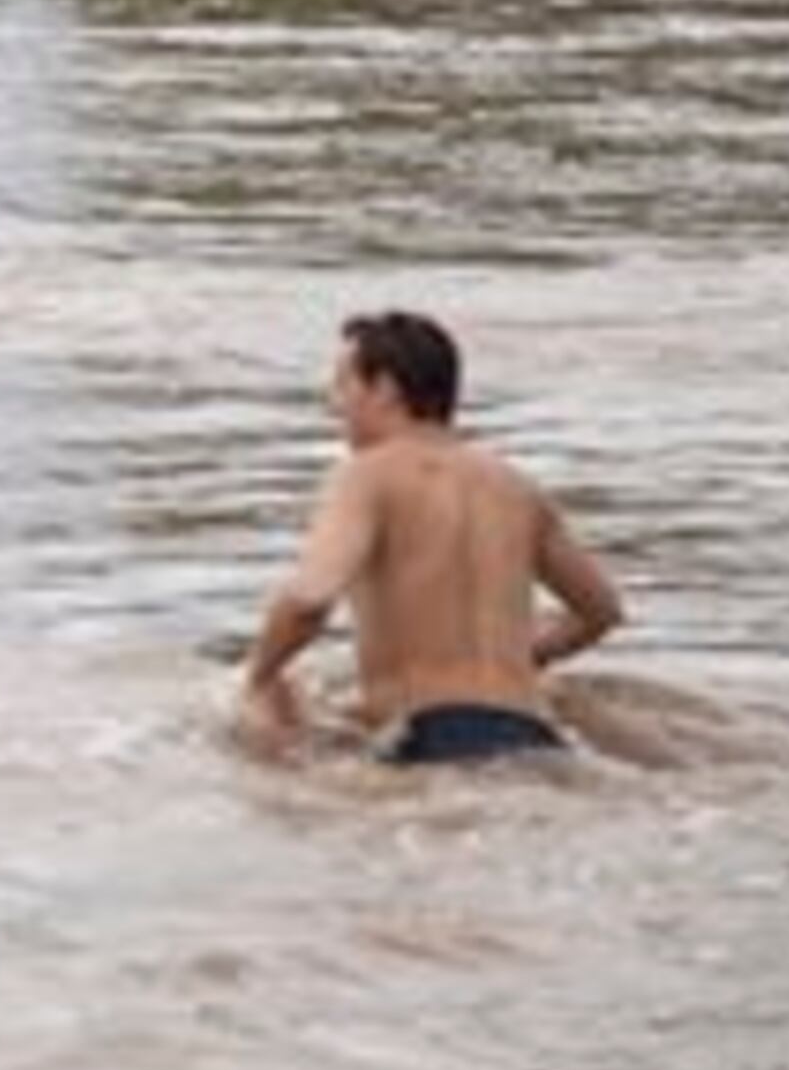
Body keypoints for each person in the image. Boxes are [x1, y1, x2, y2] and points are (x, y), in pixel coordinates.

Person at [240, 310, 624, 764]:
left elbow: (310, 600)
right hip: (533, 738)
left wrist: (258, 676)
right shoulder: (514, 486)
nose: (335, 405)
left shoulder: (367, 476)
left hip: (429, 739)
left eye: (343, 386)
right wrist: (528, 657)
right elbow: (600, 610)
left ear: (384, 389)